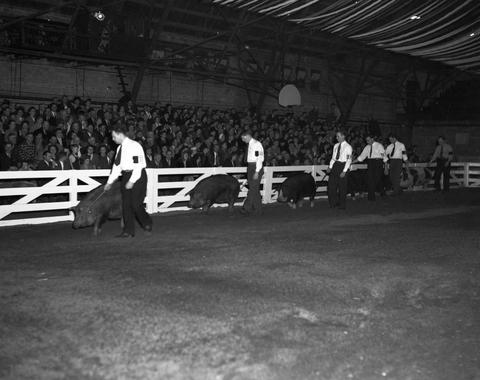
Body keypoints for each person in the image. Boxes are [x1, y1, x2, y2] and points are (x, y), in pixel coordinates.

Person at [104, 124, 152, 238]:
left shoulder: (135, 146)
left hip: (138, 176)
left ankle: (147, 222)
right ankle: (128, 231)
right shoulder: (119, 148)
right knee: (126, 205)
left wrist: (132, 180)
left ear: (120, 134)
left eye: (114, 136)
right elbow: (116, 167)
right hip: (125, 176)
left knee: (136, 204)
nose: (112, 138)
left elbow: (138, 165)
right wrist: (109, 182)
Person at [354, 135, 387, 201]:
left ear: (372, 139)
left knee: (377, 178)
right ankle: (371, 197)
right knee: (371, 180)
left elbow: (384, 156)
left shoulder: (379, 145)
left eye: (368, 140)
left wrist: (386, 167)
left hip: (378, 163)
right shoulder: (367, 147)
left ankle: (381, 192)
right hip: (370, 163)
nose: (367, 142)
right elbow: (361, 157)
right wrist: (352, 162)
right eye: (366, 140)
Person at [240, 131, 264, 216]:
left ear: (247, 136)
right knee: (255, 189)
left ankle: (246, 207)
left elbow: (260, 158)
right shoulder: (250, 144)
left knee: (253, 188)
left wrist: (257, 171)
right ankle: (258, 210)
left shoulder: (257, 144)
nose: (243, 140)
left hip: (255, 167)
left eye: (243, 138)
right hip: (250, 167)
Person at [327, 130, 352, 209]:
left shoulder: (348, 147)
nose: (336, 138)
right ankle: (333, 203)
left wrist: (344, 171)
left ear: (343, 136)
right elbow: (333, 158)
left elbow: (349, 160)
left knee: (342, 187)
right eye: (336, 136)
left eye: (338, 136)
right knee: (331, 186)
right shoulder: (336, 145)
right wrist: (330, 166)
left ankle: (342, 205)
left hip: (343, 165)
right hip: (335, 165)